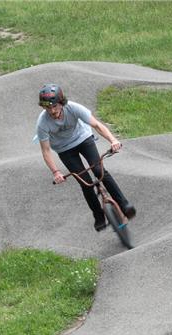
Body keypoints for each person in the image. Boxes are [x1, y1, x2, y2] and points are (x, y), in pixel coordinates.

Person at [35, 84, 136, 232]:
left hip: (83, 139)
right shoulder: (42, 123)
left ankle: (124, 205)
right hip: (64, 149)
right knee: (85, 182)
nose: (51, 111)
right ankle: (99, 216)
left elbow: (96, 125)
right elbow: (46, 150)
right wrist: (55, 172)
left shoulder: (73, 108)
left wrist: (113, 140)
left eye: (54, 106)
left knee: (98, 170)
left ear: (61, 102)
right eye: (47, 107)